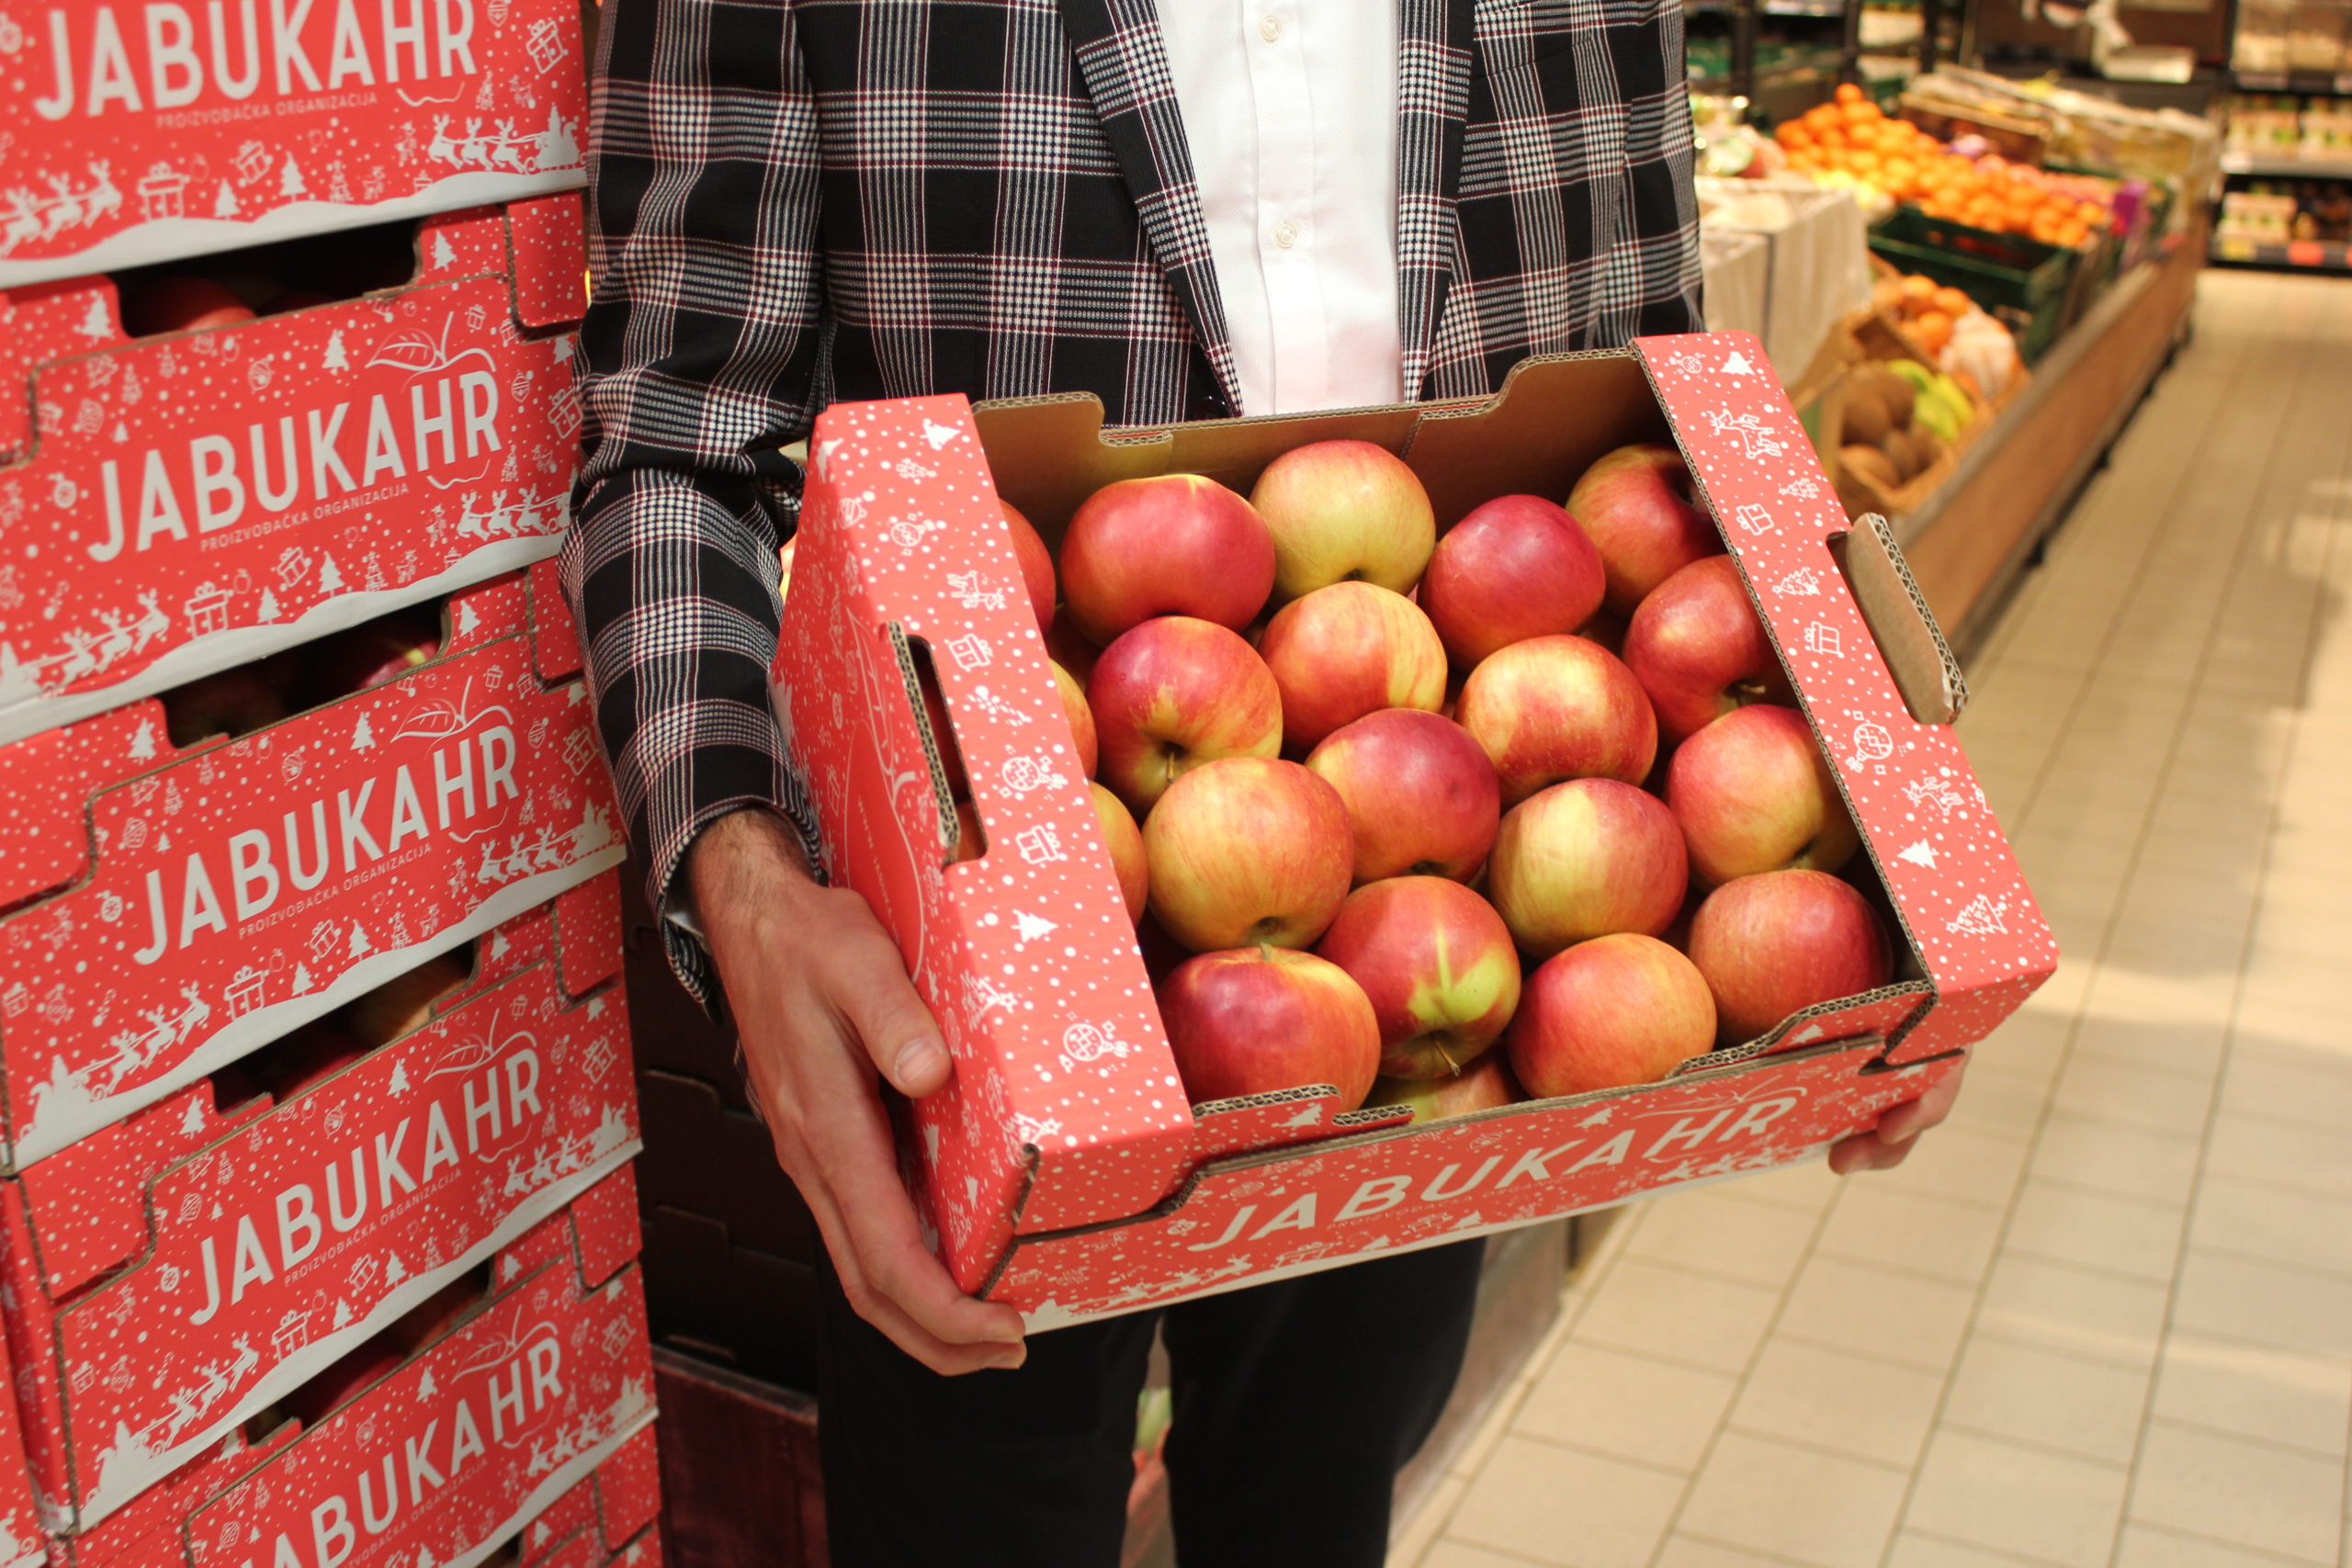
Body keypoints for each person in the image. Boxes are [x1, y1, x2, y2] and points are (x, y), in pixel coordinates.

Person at [567, 4, 1961, 1563]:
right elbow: (681, 438)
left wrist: (1891, 853)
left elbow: (1666, 413)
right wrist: (742, 880)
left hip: (1444, 923)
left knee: (1323, 1486)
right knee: (971, 1514)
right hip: (966, 981)